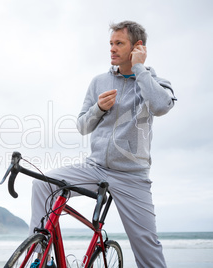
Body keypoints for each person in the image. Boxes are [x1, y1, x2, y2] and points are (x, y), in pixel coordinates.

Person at [30, 21, 176, 267]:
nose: (112, 49)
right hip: (94, 168)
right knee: (42, 184)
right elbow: (82, 126)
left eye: (119, 43)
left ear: (137, 47)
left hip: (132, 177)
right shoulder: (99, 81)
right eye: (111, 43)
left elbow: (162, 106)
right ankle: (41, 258)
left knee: (148, 249)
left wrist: (140, 69)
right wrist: (98, 109)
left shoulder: (154, 82)